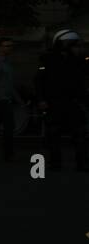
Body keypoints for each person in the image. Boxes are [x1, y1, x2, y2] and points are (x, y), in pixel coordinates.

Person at [37, 29, 87, 172]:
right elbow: (40, 81)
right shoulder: (48, 59)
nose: (77, 48)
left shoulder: (77, 60)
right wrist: (41, 99)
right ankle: (57, 163)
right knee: (55, 134)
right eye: (73, 45)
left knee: (78, 134)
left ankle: (81, 163)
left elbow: (81, 81)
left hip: (71, 102)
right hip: (56, 102)